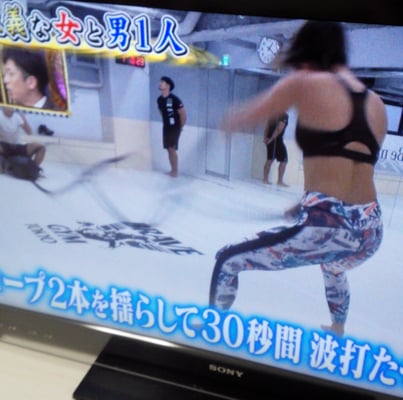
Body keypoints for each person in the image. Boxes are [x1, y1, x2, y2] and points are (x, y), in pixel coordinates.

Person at [210, 21, 387, 337]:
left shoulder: (305, 82)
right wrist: (308, 204)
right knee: (333, 265)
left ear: (307, 50)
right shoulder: (376, 103)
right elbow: (349, 167)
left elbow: (238, 118)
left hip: (327, 229)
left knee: (227, 259)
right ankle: (337, 328)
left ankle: (212, 330)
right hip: (371, 230)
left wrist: (226, 122)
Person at [157, 76, 187, 177]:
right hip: (166, 127)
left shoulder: (174, 99)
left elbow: (183, 114)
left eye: (162, 82)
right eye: (160, 82)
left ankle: (175, 171)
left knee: (171, 148)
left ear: (168, 86)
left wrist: (180, 127)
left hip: (175, 127)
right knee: (169, 149)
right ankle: (172, 170)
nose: (160, 84)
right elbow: (161, 112)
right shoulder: (159, 100)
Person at [263, 112, 289, 186]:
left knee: (270, 159)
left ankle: (265, 179)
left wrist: (266, 138)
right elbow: (279, 129)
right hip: (276, 140)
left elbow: (267, 127)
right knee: (284, 160)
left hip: (270, 139)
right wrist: (271, 139)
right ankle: (279, 181)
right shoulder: (284, 115)